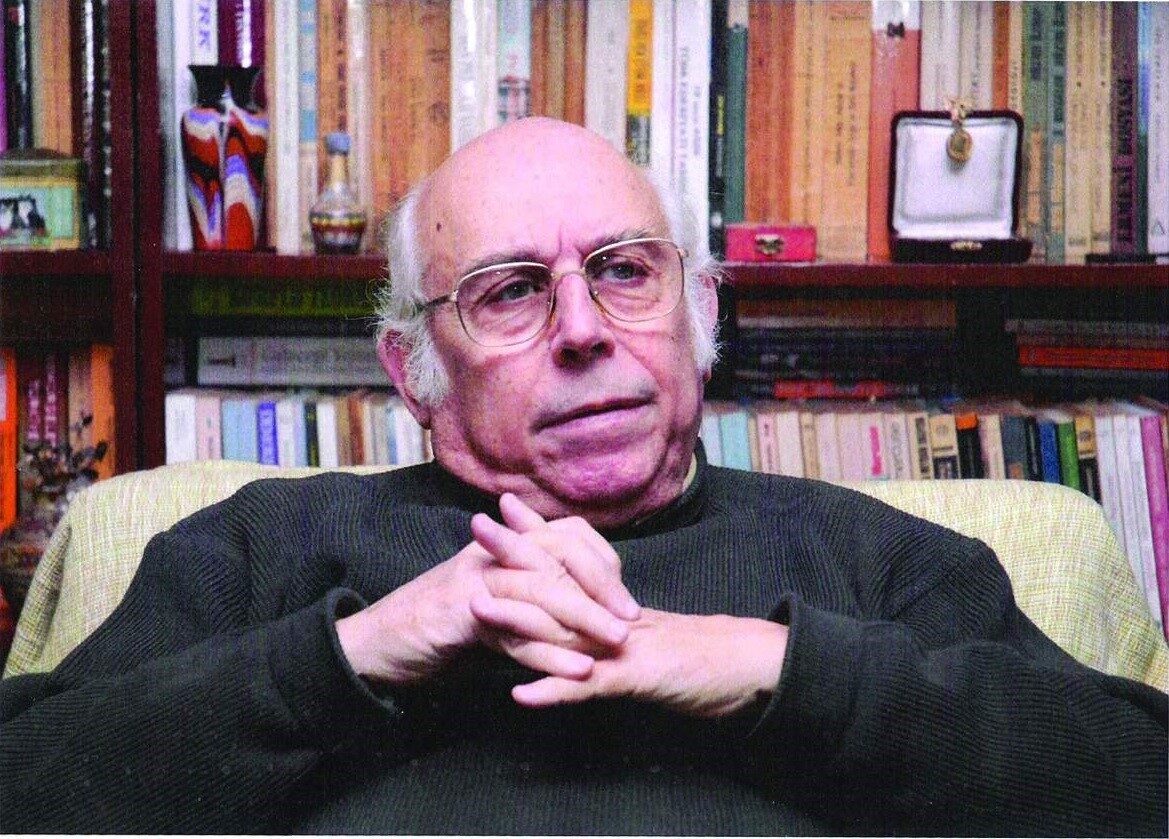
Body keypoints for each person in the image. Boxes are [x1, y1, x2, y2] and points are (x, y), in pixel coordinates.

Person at [0, 118, 1165, 835]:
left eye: (624, 271)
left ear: (697, 314)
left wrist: (769, 664)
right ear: (411, 370)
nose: (583, 329)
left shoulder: (871, 554)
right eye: (510, 290)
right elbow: (28, 787)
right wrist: (358, 651)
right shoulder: (262, 543)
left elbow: (1133, 783)